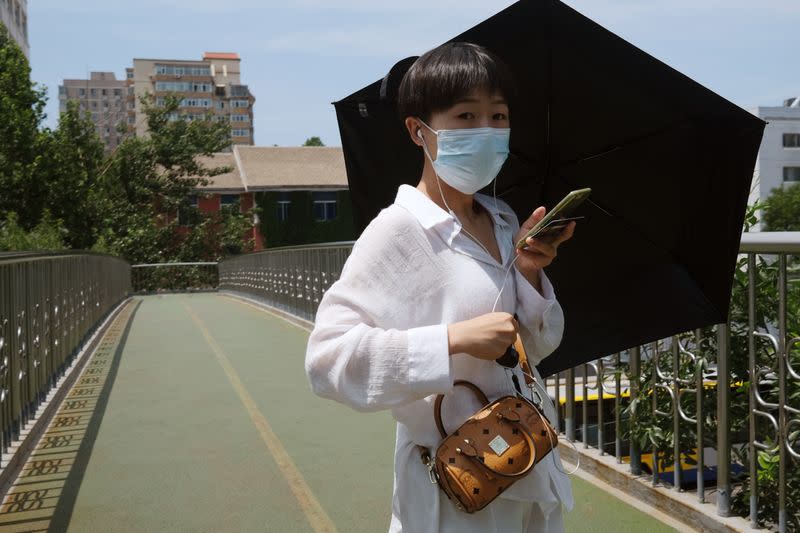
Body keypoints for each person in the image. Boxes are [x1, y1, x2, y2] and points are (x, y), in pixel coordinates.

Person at [305, 42, 577, 532]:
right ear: (418, 131)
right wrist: (453, 341)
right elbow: (327, 360)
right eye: (466, 116)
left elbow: (534, 347)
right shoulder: (398, 231)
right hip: (451, 488)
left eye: (498, 116)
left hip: (522, 462)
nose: (487, 131)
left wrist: (531, 270)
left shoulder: (501, 221)